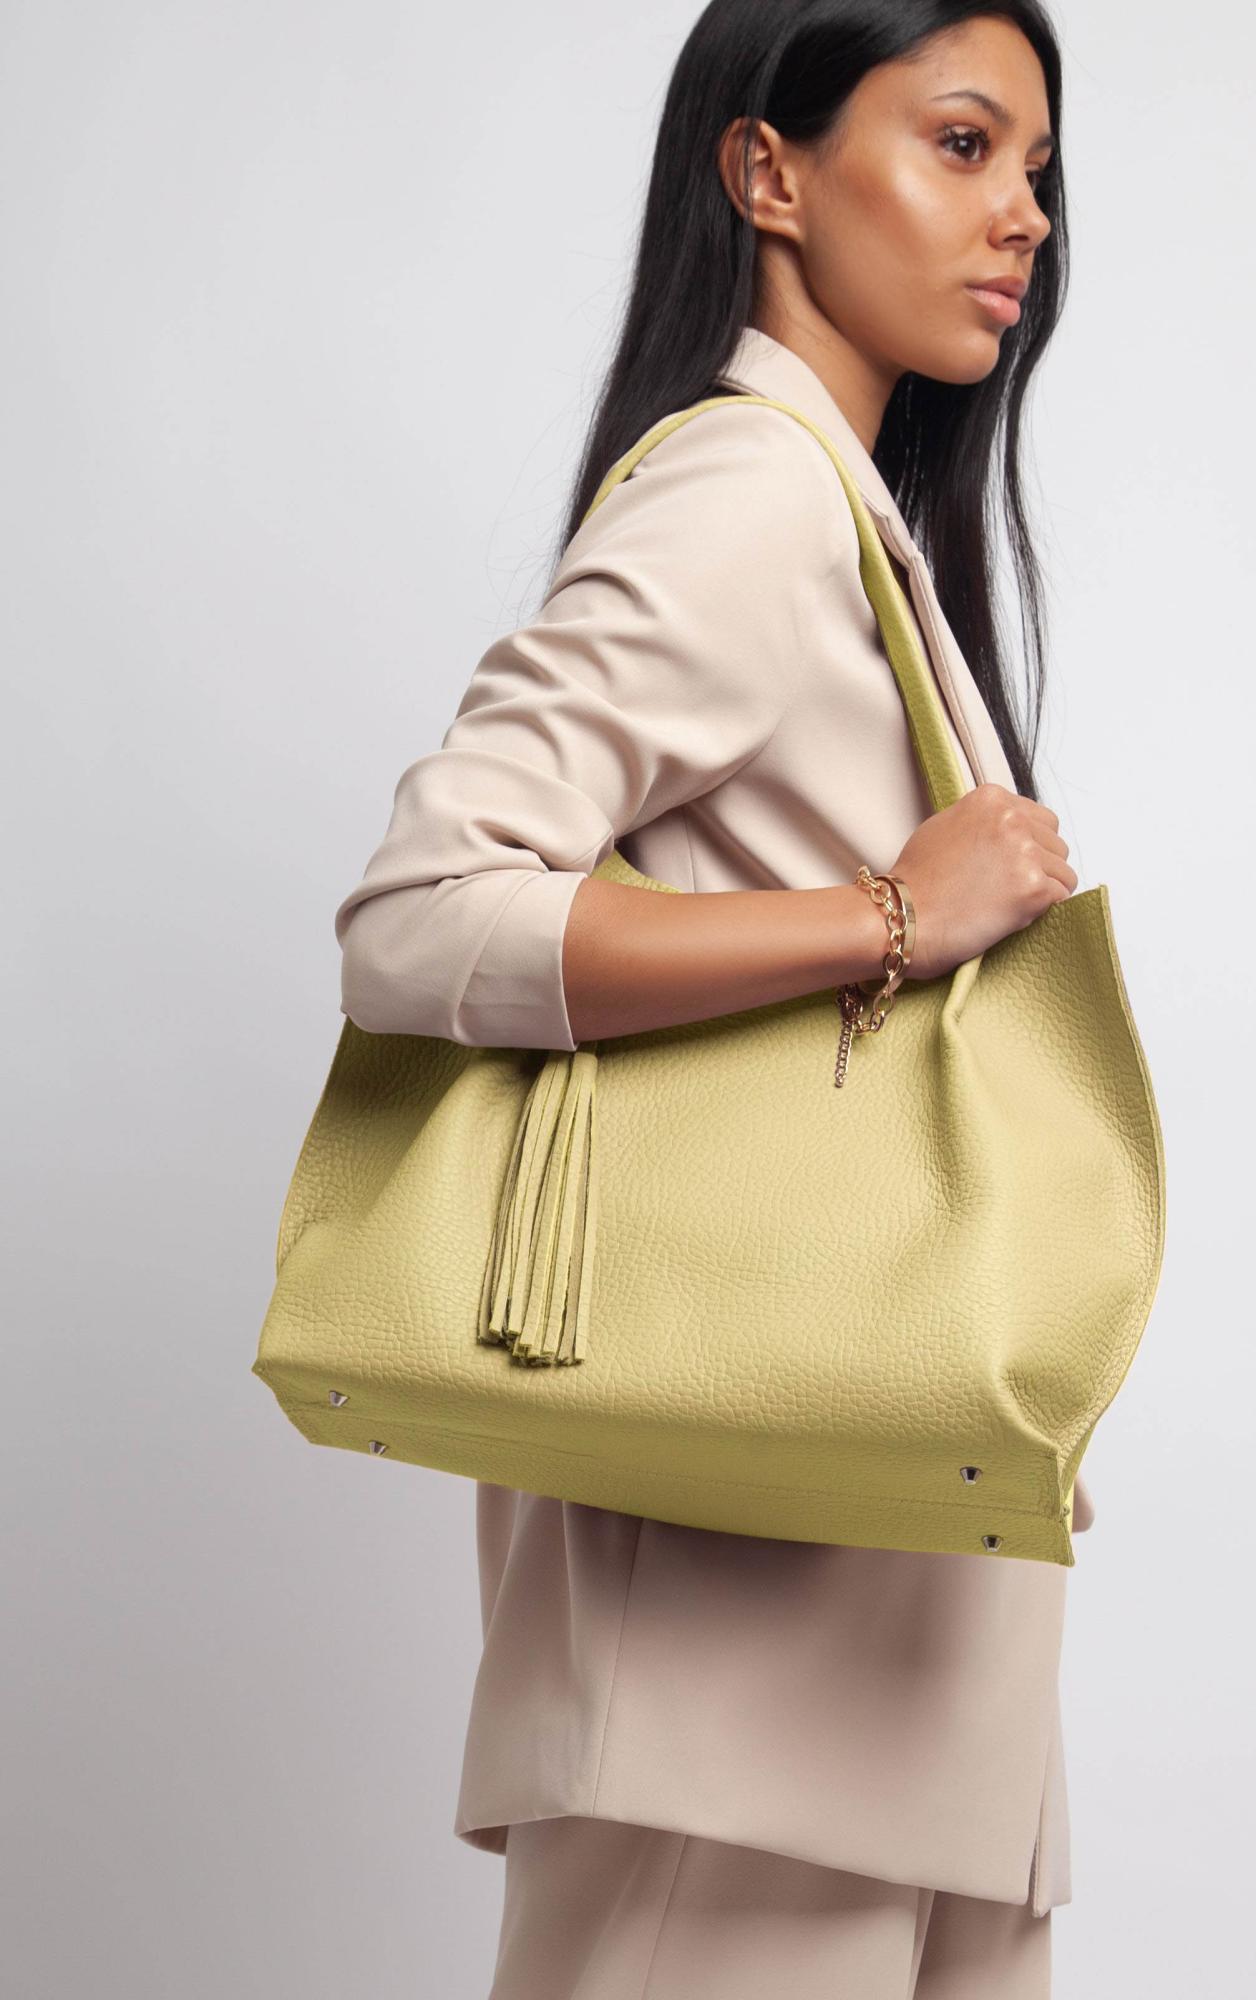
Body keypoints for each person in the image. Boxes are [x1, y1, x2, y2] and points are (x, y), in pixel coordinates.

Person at [333, 3, 1102, 1992]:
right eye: (960, 143)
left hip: (891, 1652)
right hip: (736, 1688)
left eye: (1035, 165)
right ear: (768, 172)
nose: (1023, 212)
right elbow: (424, 911)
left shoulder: (851, 522)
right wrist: (889, 914)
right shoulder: (748, 497)